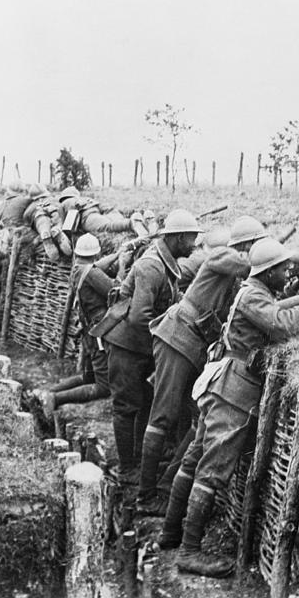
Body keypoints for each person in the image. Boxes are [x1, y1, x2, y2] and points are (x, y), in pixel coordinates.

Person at [162, 238, 299, 577]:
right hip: (233, 392)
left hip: (221, 384)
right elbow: (283, 324)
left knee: (195, 458)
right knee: (211, 471)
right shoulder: (253, 295)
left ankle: (170, 534)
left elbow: (277, 309)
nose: (287, 273)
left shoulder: (255, 291)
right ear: (268, 273)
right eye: (282, 269)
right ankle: (189, 552)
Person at [136, 216, 267, 515]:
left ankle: (167, 487)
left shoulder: (236, 276)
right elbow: (238, 262)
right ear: (247, 246)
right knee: (163, 416)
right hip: (178, 336)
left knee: (195, 418)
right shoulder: (223, 256)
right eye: (259, 246)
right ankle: (145, 497)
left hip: (192, 344)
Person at [90, 209, 202, 493]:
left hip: (140, 345)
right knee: (126, 405)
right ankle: (127, 467)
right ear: (177, 238)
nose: (194, 244)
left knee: (144, 400)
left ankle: (140, 458)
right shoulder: (152, 266)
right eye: (191, 239)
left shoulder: (168, 263)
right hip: (127, 344)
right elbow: (140, 317)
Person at [34, 233, 129, 416]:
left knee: (88, 377)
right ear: (96, 253)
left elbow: (96, 267)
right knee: (104, 387)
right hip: (100, 333)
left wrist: (117, 254)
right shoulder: (91, 274)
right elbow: (116, 291)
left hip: (89, 332)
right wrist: (123, 264)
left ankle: (49, 392)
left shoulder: (78, 269)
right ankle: (55, 399)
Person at [57, 186, 151, 236]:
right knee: (114, 218)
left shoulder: (64, 204)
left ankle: (131, 223)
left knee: (108, 227)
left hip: (88, 216)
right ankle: (141, 218)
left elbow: (66, 226)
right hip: (98, 208)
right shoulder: (86, 198)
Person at [23, 184, 72, 261]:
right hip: (55, 209)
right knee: (59, 220)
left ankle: (45, 233)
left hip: (37, 214)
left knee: (41, 223)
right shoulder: (55, 200)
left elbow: (26, 222)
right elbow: (63, 210)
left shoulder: (30, 208)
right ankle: (58, 229)